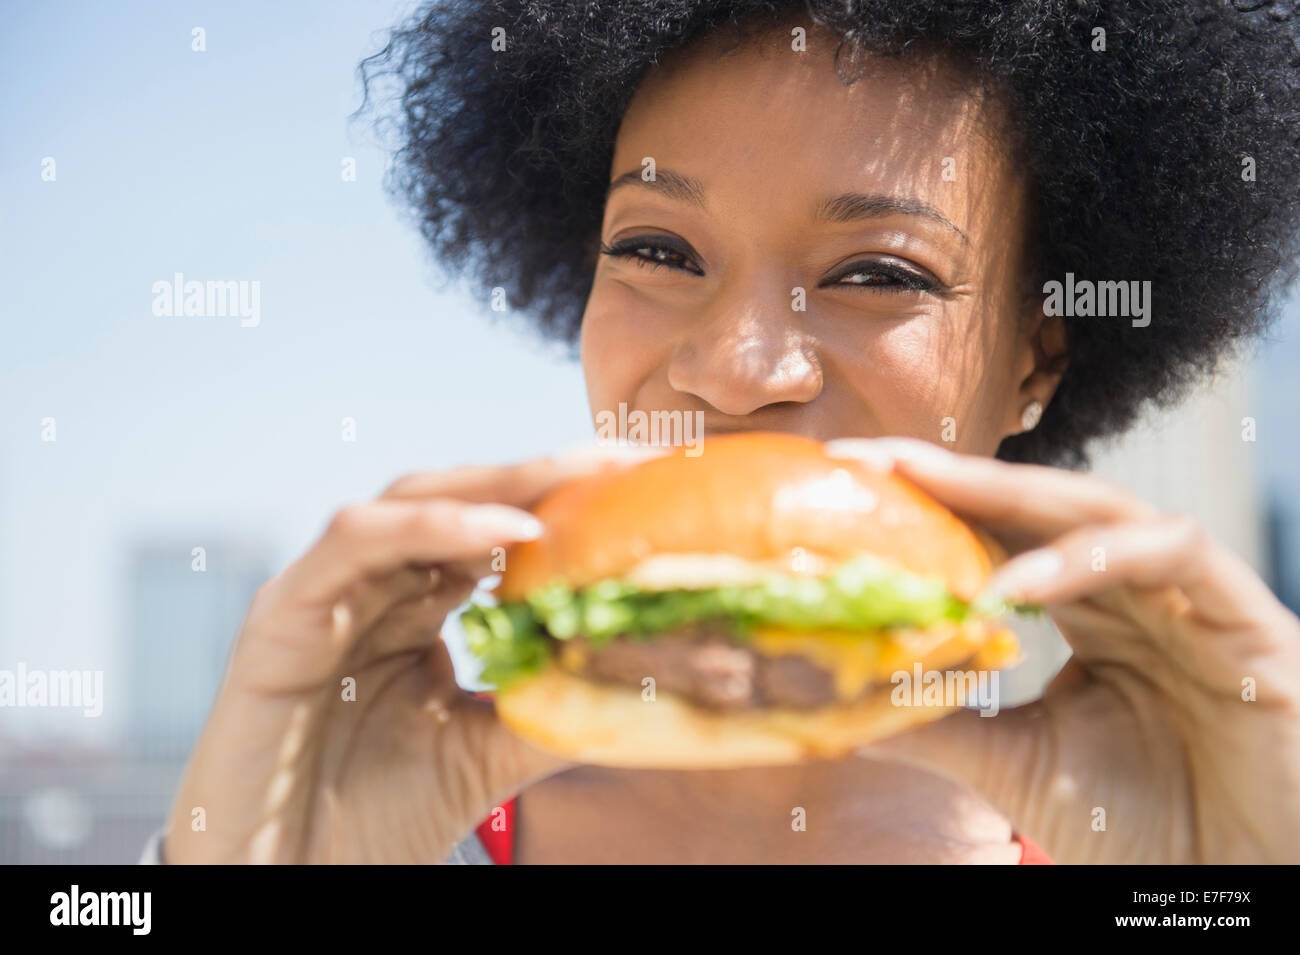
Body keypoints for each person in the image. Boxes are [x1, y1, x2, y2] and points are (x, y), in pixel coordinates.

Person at [153, 0, 1300, 863]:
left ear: (1033, 364)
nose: (742, 369)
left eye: (874, 271)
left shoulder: (1171, 851)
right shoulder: (381, 828)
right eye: (657, 251)